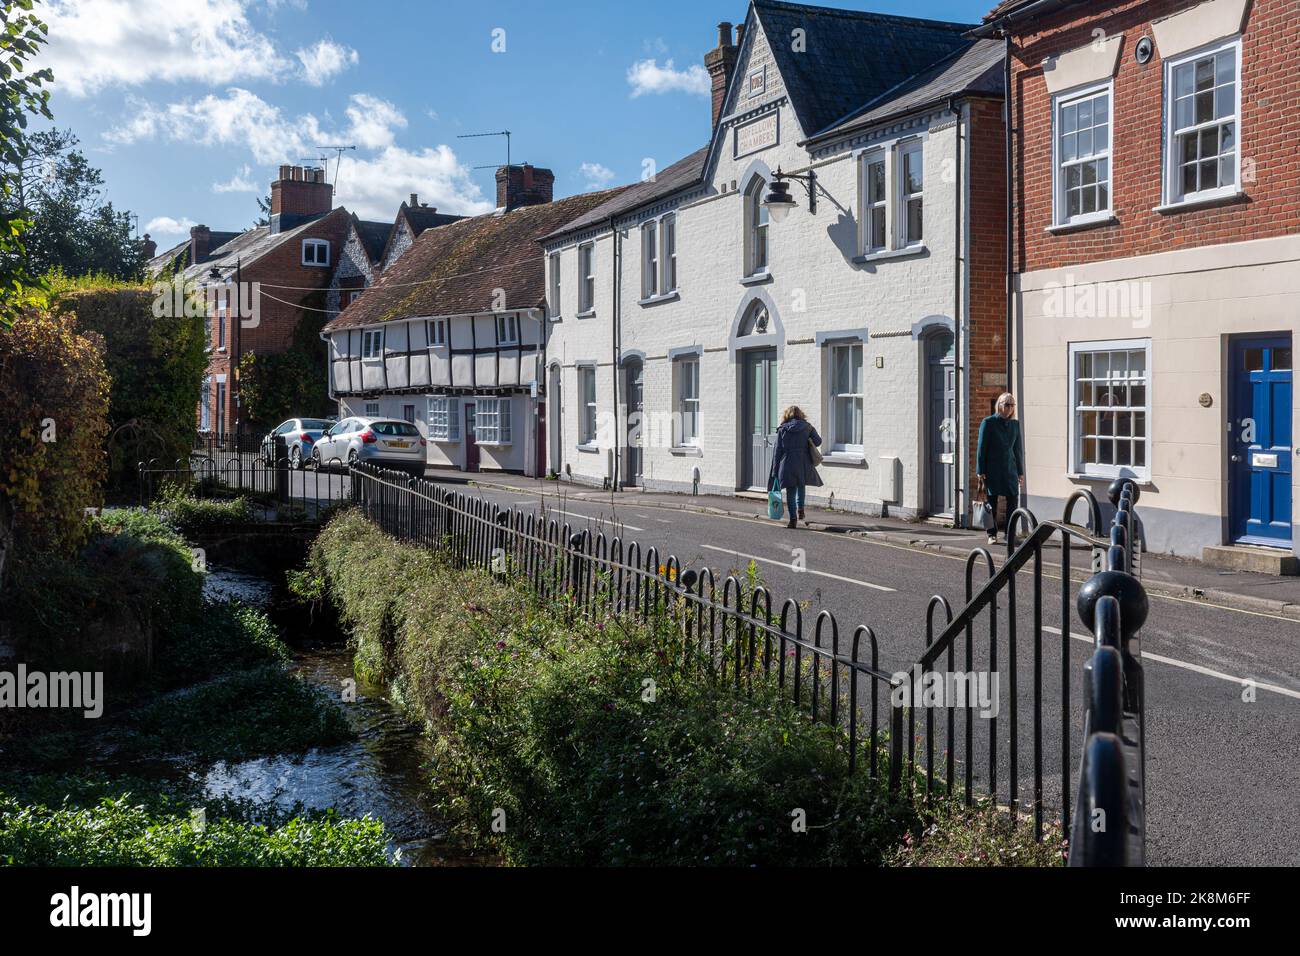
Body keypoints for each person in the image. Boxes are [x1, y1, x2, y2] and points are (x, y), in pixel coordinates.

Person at [976, 392, 1025, 545]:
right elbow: (981, 448)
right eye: (1006, 404)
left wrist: (1020, 472)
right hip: (992, 470)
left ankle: (1010, 534)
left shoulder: (1015, 425)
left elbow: (1018, 450)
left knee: (1013, 501)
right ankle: (992, 534)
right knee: (992, 503)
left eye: (1012, 404)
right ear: (999, 405)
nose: (1009, 407)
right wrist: (980, 470)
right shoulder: (988, 422)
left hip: (1010, 469)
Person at [769, 405, 823, 529]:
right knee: (801, 485)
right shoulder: (807, 427)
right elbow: (818, 441)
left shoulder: (783, 429)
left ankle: (793, 519)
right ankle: (801, 509)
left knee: (790, 491)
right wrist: (807, 438)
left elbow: (778, 451)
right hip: (803, 462)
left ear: (787, 415)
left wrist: (775, 471)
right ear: (801, 414)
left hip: (787, 462)